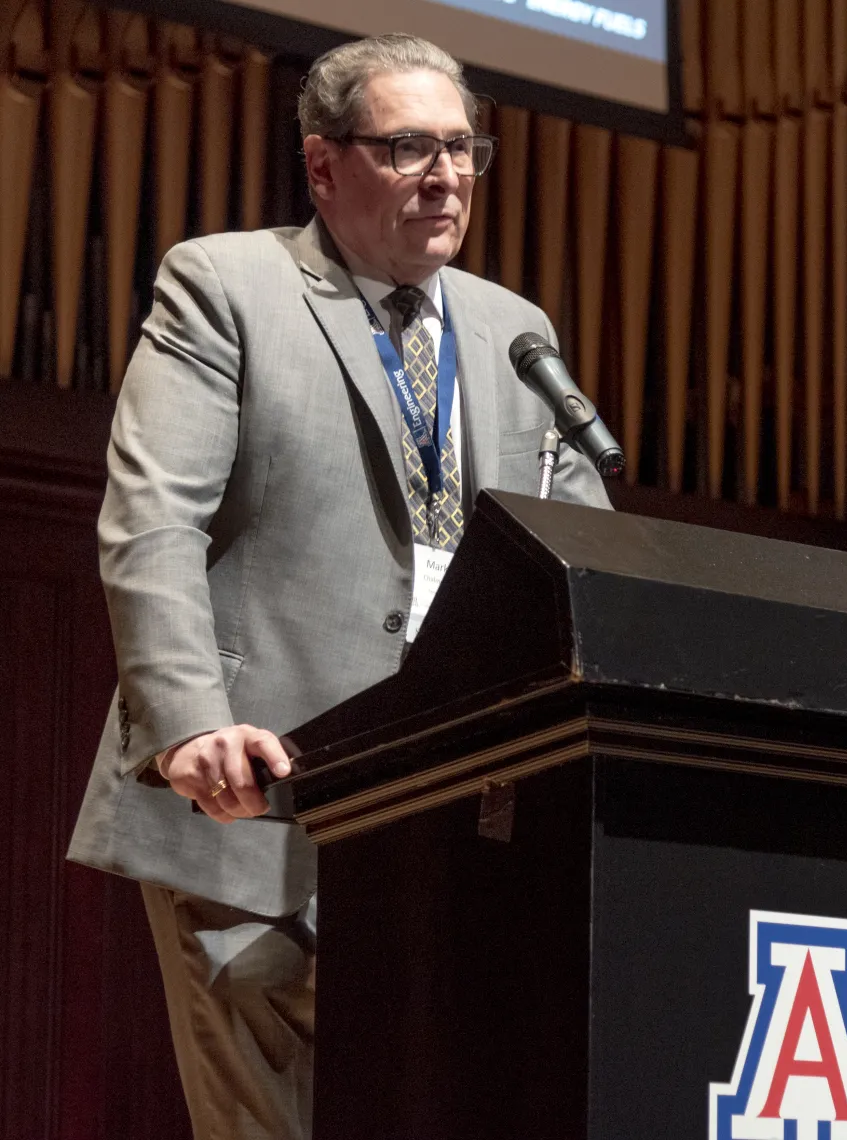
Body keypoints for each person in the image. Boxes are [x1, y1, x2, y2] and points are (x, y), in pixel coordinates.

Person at [67, 33, 610, 1140]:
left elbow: (572, 568)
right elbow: (151, 519)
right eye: (409, 147)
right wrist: (187, 728)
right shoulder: (228, 285)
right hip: (259, 793)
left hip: (451, 820)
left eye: (462, 147)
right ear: (324, 166)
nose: (446, 175)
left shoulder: (515, 335)